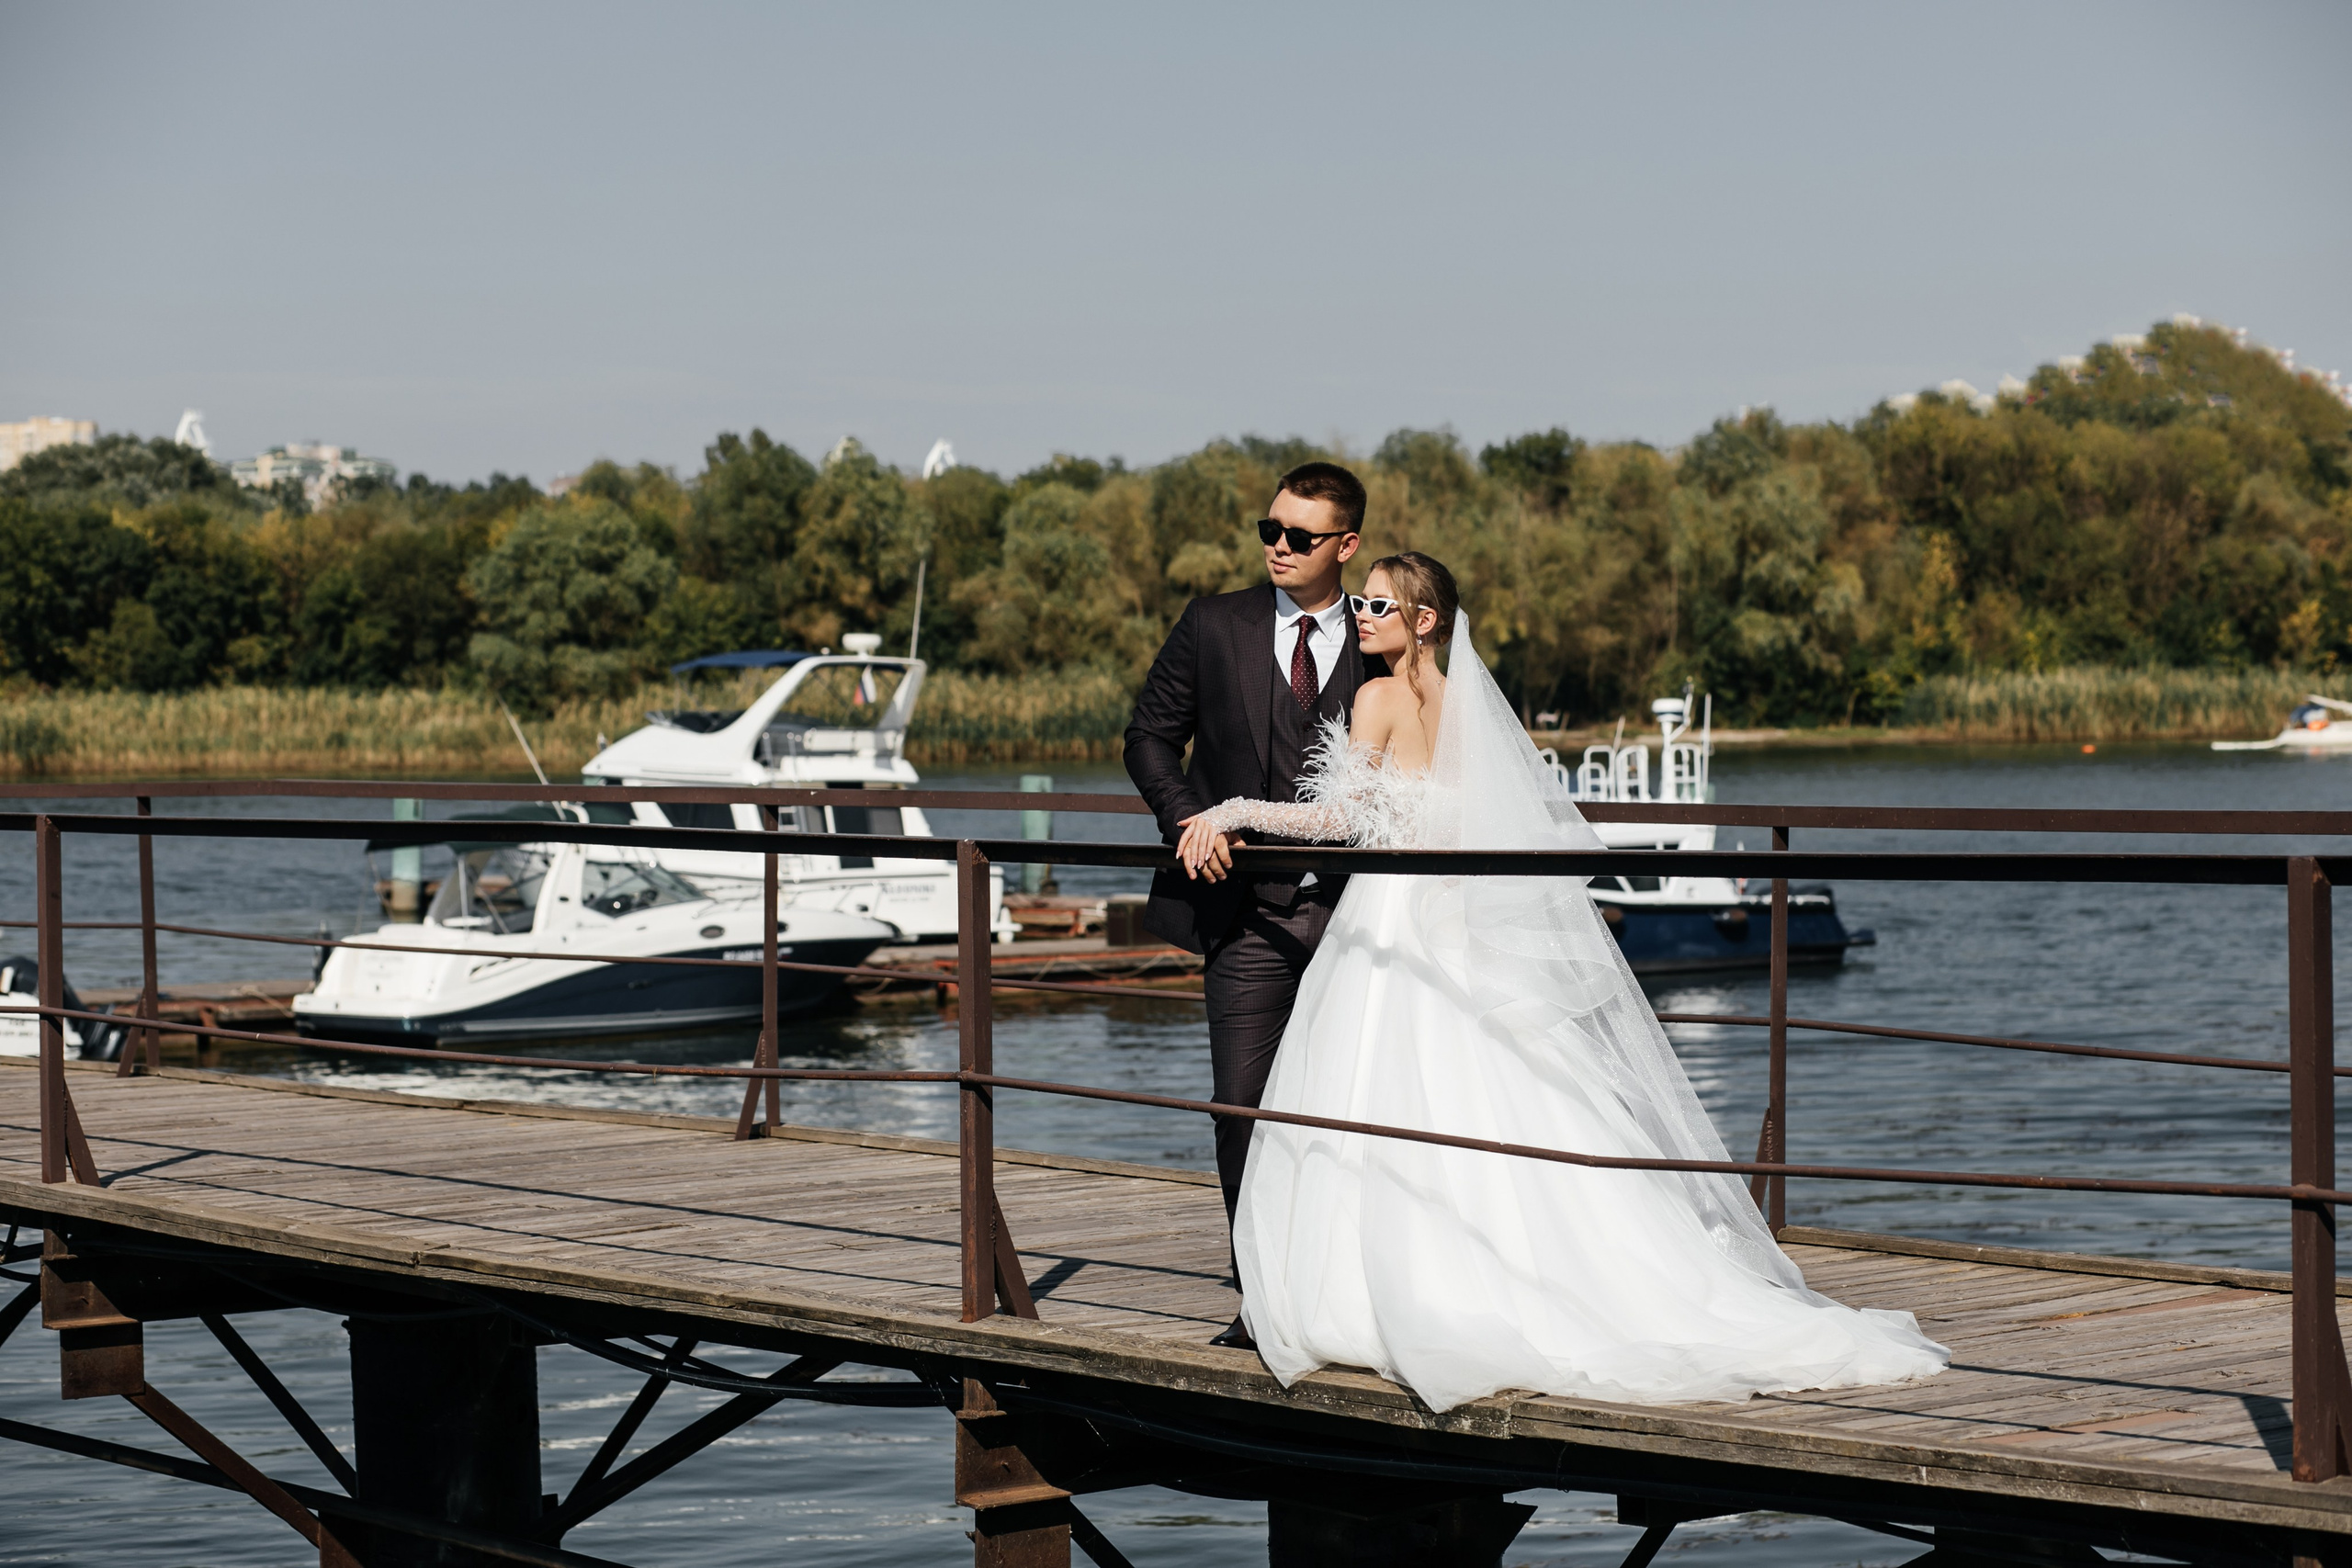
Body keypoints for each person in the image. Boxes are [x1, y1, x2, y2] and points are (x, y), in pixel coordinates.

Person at [1178, 552, 1950, 1411]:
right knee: (1489, 1094)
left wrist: (1232, 810)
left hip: (1392, 922)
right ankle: (1543, 1275)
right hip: (1459, 925)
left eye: (1376, 604)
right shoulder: (1470, 703)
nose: (1359, 615)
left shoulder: (1377, 696)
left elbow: (1341, 820)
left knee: (1378, 1100)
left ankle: (1397, 1286)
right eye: (1361, 602)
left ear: (1423, 620)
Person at [1124, 461, 1377, 1350]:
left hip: (1362, 918)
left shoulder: (1379, 635)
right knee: (1241, 1108)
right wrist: (1186, 818)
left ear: (1344, 546)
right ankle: (1261, 1297)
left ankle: (1358, 1294)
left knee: (1358, 1110)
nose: (1277, 547)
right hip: (1243, 917)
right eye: (1268, 530)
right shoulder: (1213, 623)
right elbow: (1149, 736)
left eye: (1299, 537)